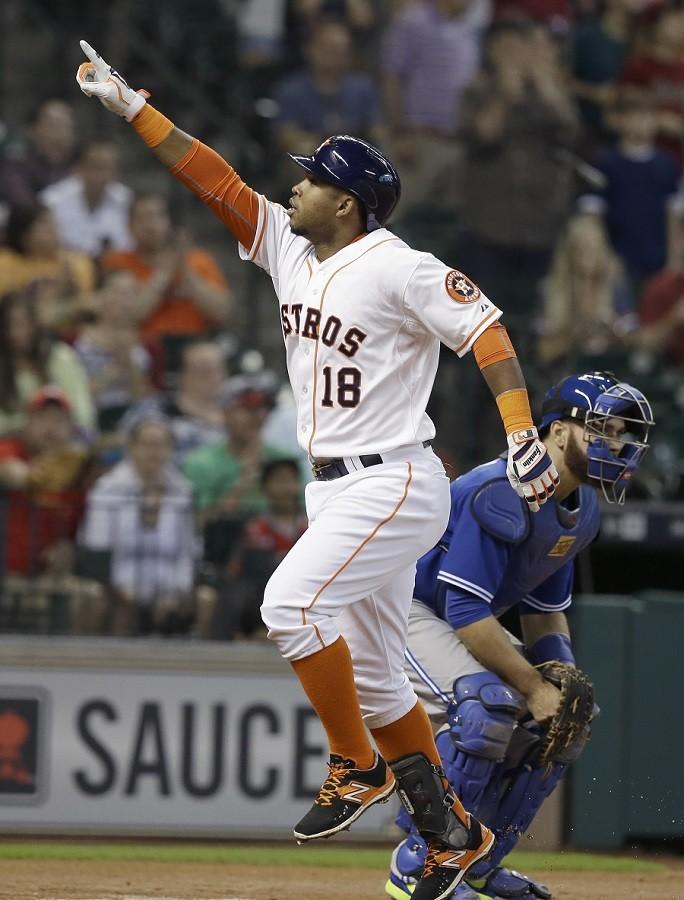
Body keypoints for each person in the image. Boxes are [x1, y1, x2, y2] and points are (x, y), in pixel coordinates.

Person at [77, 41, 560, 900]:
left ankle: (354, 765)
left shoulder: (400, 265)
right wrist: (132, 107)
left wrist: (521, 429)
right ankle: (449, 832)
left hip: (394, 477)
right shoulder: (292, 250)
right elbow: (216, 182)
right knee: (373, 677)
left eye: (310, 179)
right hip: (332, 484)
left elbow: (486, 330)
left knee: (289, 605)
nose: (292, 186)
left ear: (348, 201)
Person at [385, 372, 655, 900]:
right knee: (490, 705)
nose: (617, 444)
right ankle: (422, 862)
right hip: (395, 607)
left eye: (624, 433)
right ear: (556, 431)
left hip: (447, 618)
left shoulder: (585, 510)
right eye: (603, 429)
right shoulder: (502, 490)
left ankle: (478, 865)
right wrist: (534, 686)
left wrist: (562, 683)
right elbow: (464, 609)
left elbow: (544, 614)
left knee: (566, 721)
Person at [80, 418, 212, 637]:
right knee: (112, 602)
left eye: (161, 445)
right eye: (147, 445)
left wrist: (176, 591)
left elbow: (188, 552)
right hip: (119, 584)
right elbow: (97, 547)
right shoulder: (107, 490)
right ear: (131, 447)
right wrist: (121, 588)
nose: (154, 452)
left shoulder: (183, 493)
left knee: (205, 598)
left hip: (169, 585)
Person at [0, 385, 99, 634]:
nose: (50, 427)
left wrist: (67, 549)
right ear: (27, 424)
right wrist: (49, 472)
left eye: (59, 420)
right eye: (42, 418)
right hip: (8, 570)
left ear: (71, 428)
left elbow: (80, 529)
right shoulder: (10, 449)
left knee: (91, 595)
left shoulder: (79, 471)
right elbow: (16, 475)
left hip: (49, 573)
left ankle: (76, 668)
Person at [102, 192, 232, 346]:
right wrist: (163, 274)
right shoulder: (118, 261)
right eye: (144, 218)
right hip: (144, 344)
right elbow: (129, 315)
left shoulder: (198, 260)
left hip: (195, 342)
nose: (152, 225)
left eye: (159, 216)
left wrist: (186, 271)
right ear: (129, 226)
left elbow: (221, 312)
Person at [580, 94, 680, 292]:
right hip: (617, 258)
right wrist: (605, 255)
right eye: (635, 117)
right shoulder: (605, 163)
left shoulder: (667, 165)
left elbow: (673, 215)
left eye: (648, 117)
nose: (641, 123)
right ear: (620, 121)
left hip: (657, 257)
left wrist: (673, 258)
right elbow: (593, 215)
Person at [537, 214, 637, 370]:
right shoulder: (550, 290)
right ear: (570, 251)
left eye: (595, 247)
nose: (589, 253)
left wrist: (612, 330)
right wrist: (575, 334)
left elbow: (636, 342)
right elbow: (543, 352)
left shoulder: (617, 287)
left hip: (610, 373)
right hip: (564, 374)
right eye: (582, 246)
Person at [222, 456, 308, 638]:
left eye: (290, 480)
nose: (286, 488)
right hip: (259, 602)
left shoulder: (311, 527)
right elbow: (236, 572)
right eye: (279, 481)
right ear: (265, 488)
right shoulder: (253, 528)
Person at [273, 19, 383, 156]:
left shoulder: (363, 88)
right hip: (313, 155)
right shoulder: (291, 90)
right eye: (329, 49)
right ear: (310, 50)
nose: (336, 55)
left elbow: (377, 130)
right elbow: (285, 134)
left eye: (342, 50)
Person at [0, 291, 95, 437]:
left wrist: (54, 428)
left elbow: (83, 412)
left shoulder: (61, 357)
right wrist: (30, 428)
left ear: (36, 324)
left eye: (24, 324)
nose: (17, 332)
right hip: (13, 443)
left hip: (64, 438)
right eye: (10, 325)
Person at [118, 338, 226, 465]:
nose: (210, 376)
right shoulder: (153, 408)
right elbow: (125, 445)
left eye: (215, 368)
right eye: (202, 370)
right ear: (182, 373)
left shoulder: (238, 413)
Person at [73, 269, 153, 432]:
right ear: (101, 296)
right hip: (91, 416)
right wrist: (113, 369)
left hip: (131, 419)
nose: (122, 301)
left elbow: (144, 399)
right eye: (117, 292)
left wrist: (128, 363)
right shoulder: (79, 339)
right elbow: (77, 395)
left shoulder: (148, 344)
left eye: (129, 294)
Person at [0, 203, 96, 331]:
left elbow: (88, 304)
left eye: (54, 223)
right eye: (45, 224)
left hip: (71, 336)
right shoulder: (5, 263)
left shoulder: (77, 262)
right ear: (24, 234)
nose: (54, 229)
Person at [40, 140, 133, 257]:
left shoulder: (126, 200)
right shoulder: (52, 200)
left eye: (107, 168)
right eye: (95, 167)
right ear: (78, 168)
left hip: (113, 267)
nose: (101, 174)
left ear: (116, 172)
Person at [0, 100, 76, 210]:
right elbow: (23, 204)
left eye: (68, 125)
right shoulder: (16, 164)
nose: (63, 131)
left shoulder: (79, 166)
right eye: (55, 125)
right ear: (33, 130)